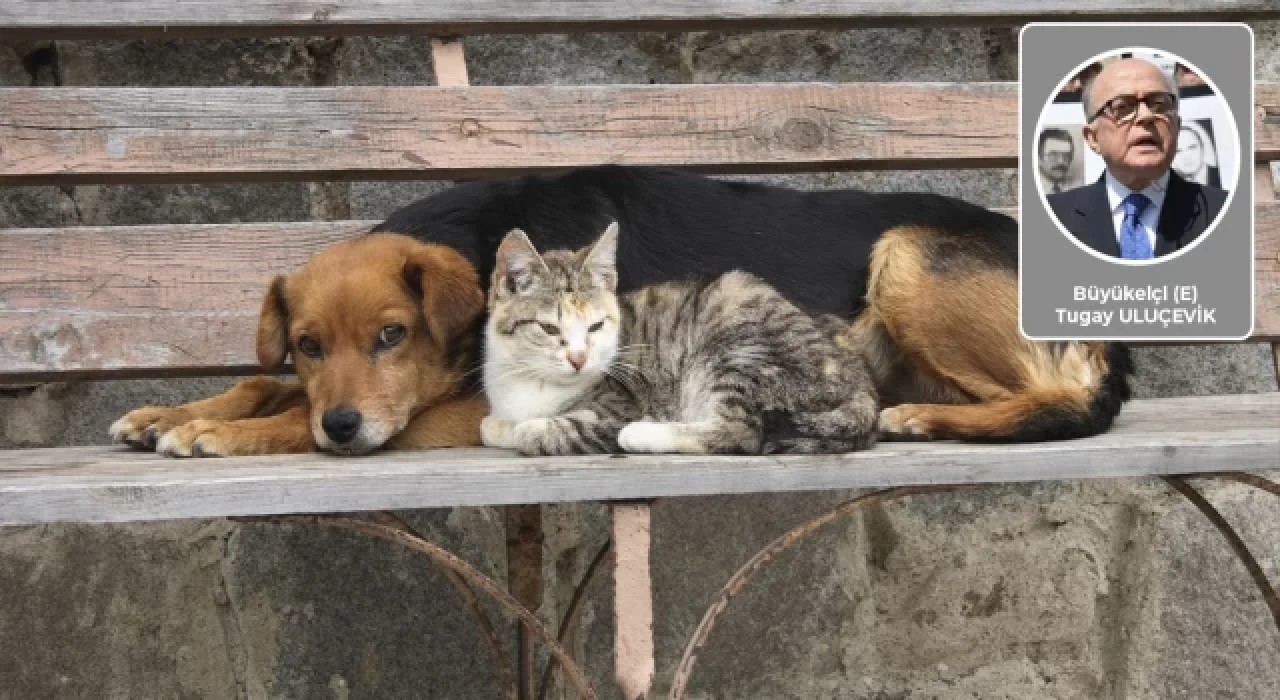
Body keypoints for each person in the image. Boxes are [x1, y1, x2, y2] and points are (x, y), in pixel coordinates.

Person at [1046, 58, 1227, 261]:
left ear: (1177, 127)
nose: (1146, 116)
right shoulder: (1052, 217)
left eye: (1159, 104)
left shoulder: (1224, 210)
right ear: (1093, 138)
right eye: (1122, 106)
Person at [1037, 128, 1076, 193]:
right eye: (1053, 155)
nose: (1061, 161)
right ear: (1039, 158)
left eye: (1066, 155)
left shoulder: (1077, 186)